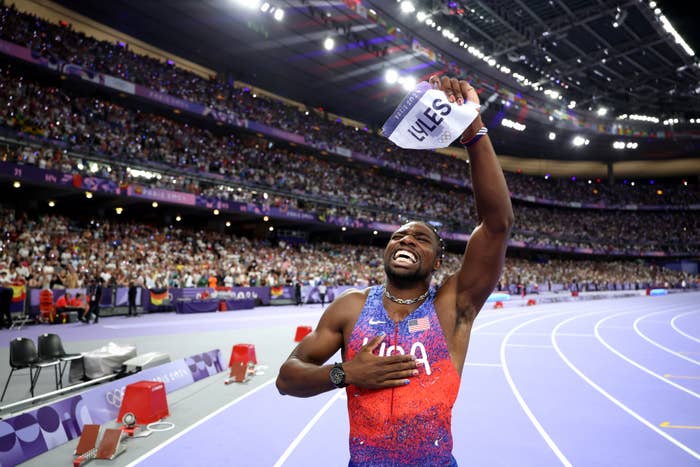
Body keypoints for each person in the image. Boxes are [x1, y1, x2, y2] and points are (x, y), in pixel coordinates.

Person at [276, 76, 513, 466]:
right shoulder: (350, 308)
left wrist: (474, 132)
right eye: (399, 236)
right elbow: (288, 377)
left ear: (437, 261)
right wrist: (346, 373)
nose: (405, 240)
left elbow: (497, 225)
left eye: (420, 239)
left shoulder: (454, 305)